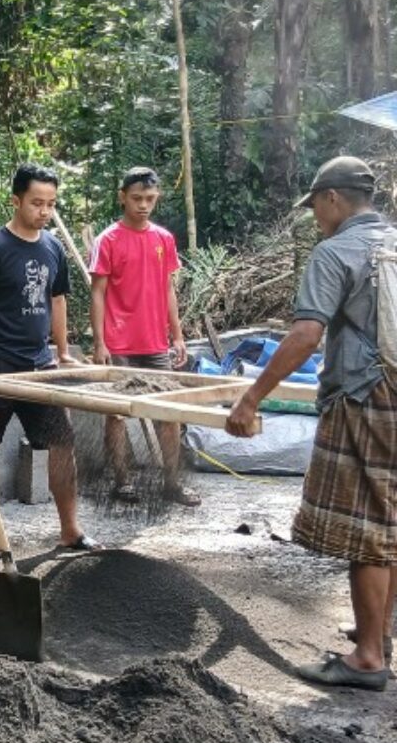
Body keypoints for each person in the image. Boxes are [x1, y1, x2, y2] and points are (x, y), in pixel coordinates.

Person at [226, 156, 396, 692]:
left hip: (366, 398)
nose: (317, 219)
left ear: (332, 199)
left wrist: (251, 399)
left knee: (366, 527)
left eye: (317, 208)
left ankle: (367, 658)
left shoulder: (336, 251)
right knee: (391, 518)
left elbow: (305, 336)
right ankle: (380, 633)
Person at [0, 163, 98, 560]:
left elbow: (57, 300)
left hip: (41, 369)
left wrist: (62, 352)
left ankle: (70, 531)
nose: (43, 211)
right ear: (16, 200)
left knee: (61, 443)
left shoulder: (53, 247)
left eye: (51, 204)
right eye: (37, 202)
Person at [90, 167, 200, 507]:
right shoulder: (107, 239)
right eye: (136, 198)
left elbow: (168, 288)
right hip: (119, 342)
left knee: (168, 413)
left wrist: (177, 335)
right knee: (117, 414)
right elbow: (98, 292)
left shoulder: (163, 239)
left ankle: (171, 482)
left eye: (150, 199)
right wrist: (99, 343)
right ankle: (122, 481)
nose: (143, 205)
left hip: (155, 342)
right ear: (122, 197)